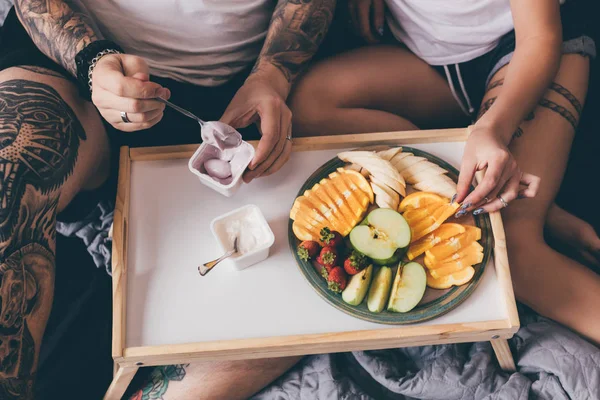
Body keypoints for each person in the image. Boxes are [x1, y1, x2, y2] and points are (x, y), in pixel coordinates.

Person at [0, 0, 336, 398]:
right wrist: (93, 61)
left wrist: (273, 74)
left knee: (286, 288)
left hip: (232, 93)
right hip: (73, 59)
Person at [290, 0, 600, 345]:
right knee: (308, 106)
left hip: (527, 48)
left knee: (508, 247)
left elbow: (539, 36)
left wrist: (492, 130)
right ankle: (539, 199)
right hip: (429, 56)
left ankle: (530, 206)